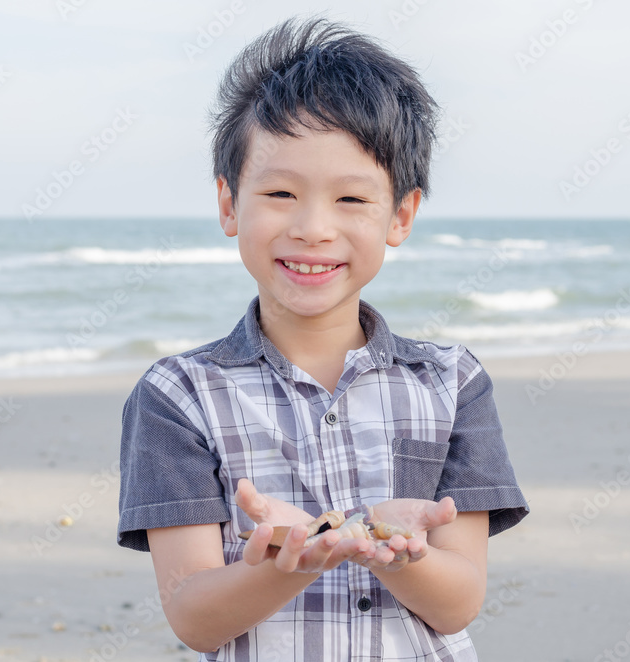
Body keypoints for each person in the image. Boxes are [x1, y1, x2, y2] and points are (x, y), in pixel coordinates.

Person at [117, 15, 529, 661]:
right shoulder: (179, 395)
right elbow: (194, 617)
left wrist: (392, 550)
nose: (312, 228)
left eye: (351, 200)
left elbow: (459, 601)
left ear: (401, 215)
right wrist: (294, 562)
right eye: (280, 192)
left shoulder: (452, 383)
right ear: (229, 204)